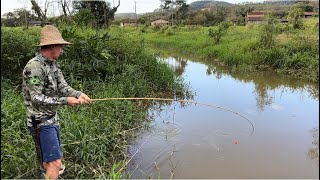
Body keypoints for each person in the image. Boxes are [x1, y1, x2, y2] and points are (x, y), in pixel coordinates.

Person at [22, 25, 91, 179]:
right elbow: (36, 98)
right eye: (60, 46)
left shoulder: (52, 64)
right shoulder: (34, 67)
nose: (62, 50)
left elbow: (63, 86)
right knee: (55, 163)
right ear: (52, 46)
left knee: (48, 163)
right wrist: (66, 101)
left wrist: (79, 94)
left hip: (52, 120)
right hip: (40, 122)